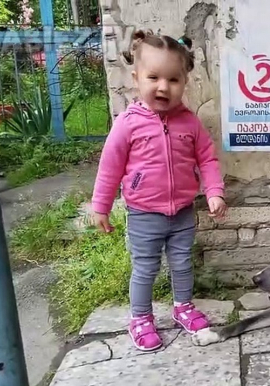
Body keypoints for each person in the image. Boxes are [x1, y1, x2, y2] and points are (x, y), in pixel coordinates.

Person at [90, 29, 227, 352]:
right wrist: (101, 205)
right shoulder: (127, 123)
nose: (163, 87)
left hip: (181, 212)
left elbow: (206, 158)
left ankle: (183, 307)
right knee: (146, 267)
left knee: (182, 263)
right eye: (153, 77)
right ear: (137, 78)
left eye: (173, 80)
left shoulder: (189, 123)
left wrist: (214, 191)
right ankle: (140, 317)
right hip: (143, 214)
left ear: (184, 82)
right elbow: (110, 167)